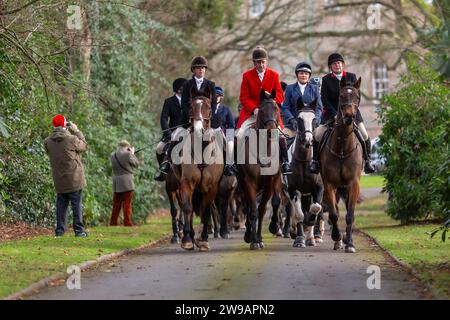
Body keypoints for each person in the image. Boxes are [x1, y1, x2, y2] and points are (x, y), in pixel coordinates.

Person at [159, 56, 236, 176]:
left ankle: (228, 164)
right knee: (176, 135)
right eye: (198, 68)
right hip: (189, 119)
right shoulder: (188, 85)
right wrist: (192, 115)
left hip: (208, 120)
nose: (201, 70)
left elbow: (214, 103)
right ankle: (168, 161)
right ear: (193, 70)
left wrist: (209, 116)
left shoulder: (210, 84)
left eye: (203, 68)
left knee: (223, 139)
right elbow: (184, 103)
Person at [309, 53, 375, 174]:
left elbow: (357, 97)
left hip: (352, 113)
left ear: (342, 65)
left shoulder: (351, 76)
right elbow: (325, 99)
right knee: (317, 135)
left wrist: (353, 110)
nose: (337, 65)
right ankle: (316, 162)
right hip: (331, 114)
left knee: (365, 135)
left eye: (339, 63)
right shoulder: (326, 80)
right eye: (334, 64)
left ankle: (368, 161)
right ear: (331, 67)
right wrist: (335, 114)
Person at [236, 46, 291, 174]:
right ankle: (235, 166)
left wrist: (271, 99)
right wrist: (254, 109)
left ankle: (285, 163)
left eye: (263, 61)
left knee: (281, 136)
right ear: (254, 63)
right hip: (252, 113)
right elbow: (244, 97)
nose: (261, 64)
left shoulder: (274, 75)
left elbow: (280, 95)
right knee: (238, 135)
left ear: (267, 61)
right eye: (258, 62)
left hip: (270, 113)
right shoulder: (247, 75)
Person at [44, 114, 88, 237]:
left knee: (61, 206)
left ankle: (59, 231)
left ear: (53, 125)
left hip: (59, 179)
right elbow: (84, 146)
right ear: (65, 125)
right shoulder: (72, 139)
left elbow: (51, 151)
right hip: (74, 178)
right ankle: (79, 231)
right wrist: (76, 131)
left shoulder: (47, 141)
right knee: (76, 205)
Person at [154, 77, 187, 182]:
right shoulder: (169, 102)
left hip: (187, 132)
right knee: (159, 148)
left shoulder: (190, 102)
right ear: (179, 89)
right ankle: (162, 172)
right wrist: (168, 133)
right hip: (172, 133)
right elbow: (163, 118)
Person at [281, 62, 323, 138]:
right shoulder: (290, 88)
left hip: (311, 125)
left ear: (309, 76)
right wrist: (291, 119)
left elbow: (319, 108)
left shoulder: (315, 88)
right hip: (293, 126)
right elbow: (285, 107)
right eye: (301, 73)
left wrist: (315, 119)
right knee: (281, 138)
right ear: (297, 75)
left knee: (320, 137)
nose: (304, 75)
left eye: (306, 74)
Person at [110, 140, 141, 226]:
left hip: (116, 182)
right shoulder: (128, 154)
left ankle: (113, 222)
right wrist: (132, 153)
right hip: (127, 182)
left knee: (116, 204)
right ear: (127, 147)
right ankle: (127, 223)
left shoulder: (112, 155)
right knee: (127, 204)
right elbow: (136, 164)